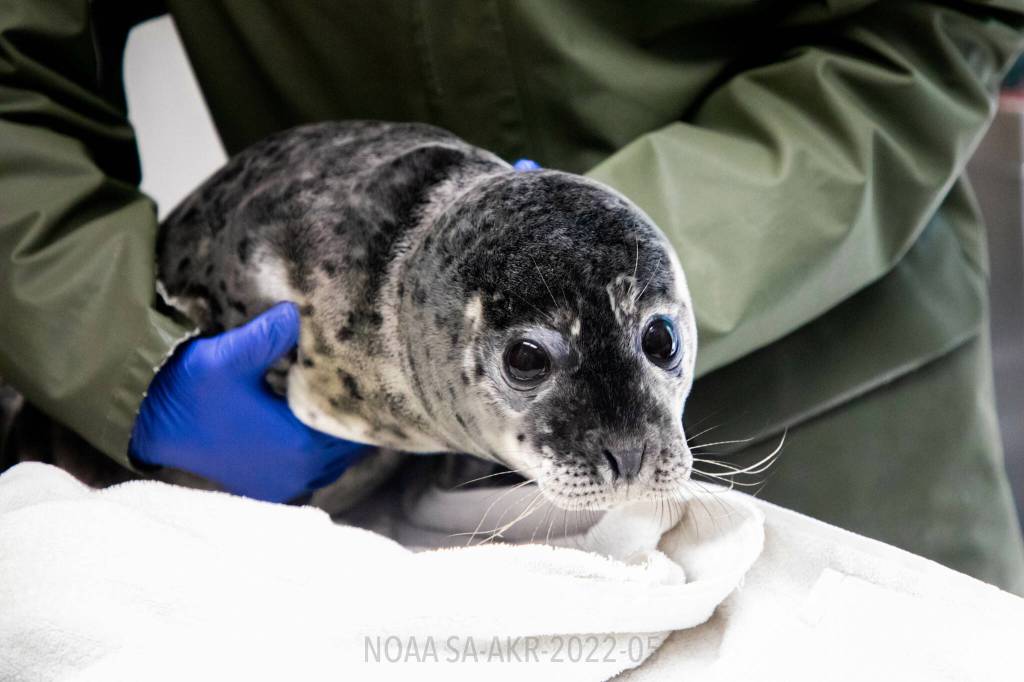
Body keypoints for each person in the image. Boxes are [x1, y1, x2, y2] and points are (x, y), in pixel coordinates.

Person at [2, 1, 1023, 592]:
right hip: (345, 473)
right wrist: (127, 355)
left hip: (827, 411)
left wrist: (593, 251)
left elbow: (939, 16)